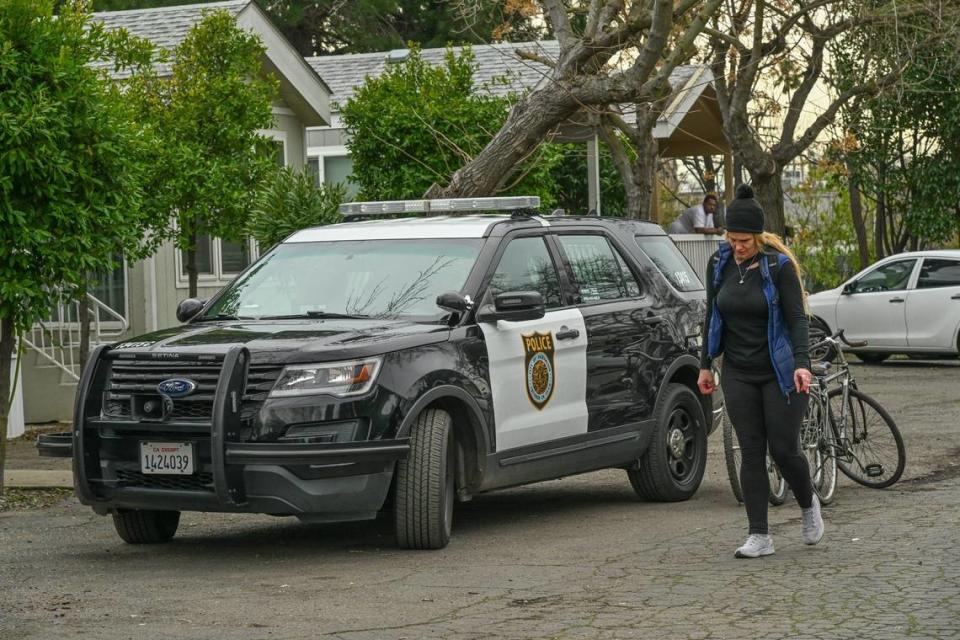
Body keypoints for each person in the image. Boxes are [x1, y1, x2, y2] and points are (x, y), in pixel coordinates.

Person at [696, 184, 823, 558]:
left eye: (744, 240)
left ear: (758, 236)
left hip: (780, 371)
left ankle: (807, 502)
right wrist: (706, 364)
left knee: (784, 450)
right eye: (732, 238)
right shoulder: (718, 264)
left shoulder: (778, 266)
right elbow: (710, 314)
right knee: (751, 452)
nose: (738, 246)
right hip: (737, 371)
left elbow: (797, 319)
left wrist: (802, 364)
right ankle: (759, 536)